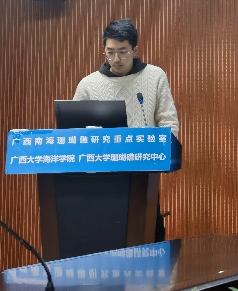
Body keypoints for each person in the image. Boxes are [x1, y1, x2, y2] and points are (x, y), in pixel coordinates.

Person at [73, 18, 179, 240]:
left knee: (148, 240)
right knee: (105, 239)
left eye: (122, 52)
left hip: (143, 176)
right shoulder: (88, 85)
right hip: (101, 182)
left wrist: (159, 152)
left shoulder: (155, 76)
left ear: (134, 50)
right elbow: (74, 131)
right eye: (110, 52)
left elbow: (168, 122)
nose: (116, 59)